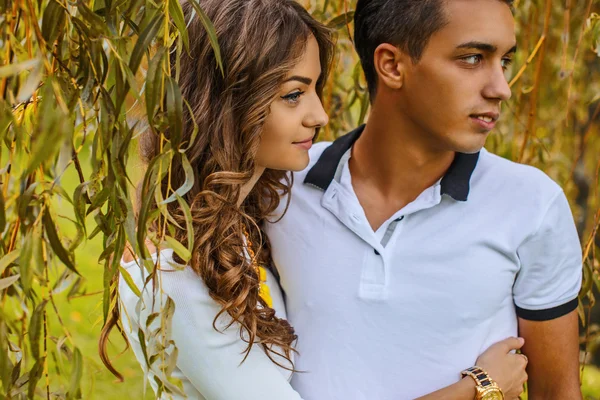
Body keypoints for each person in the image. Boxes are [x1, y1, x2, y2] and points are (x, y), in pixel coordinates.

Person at [103, 0, 528, 399]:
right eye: (293, 94)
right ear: (227, 102)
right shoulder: (173, 272)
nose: (320, 115)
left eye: (314, 90)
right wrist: (480, 386)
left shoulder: (243, 228)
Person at [263, 0, 583, 399]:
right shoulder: (279, 189)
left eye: (504, 61)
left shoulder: (533, 204)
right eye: (472, 58)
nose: (501, 88)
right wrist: (480, 387)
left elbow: (557, 394)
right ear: (392, 65)